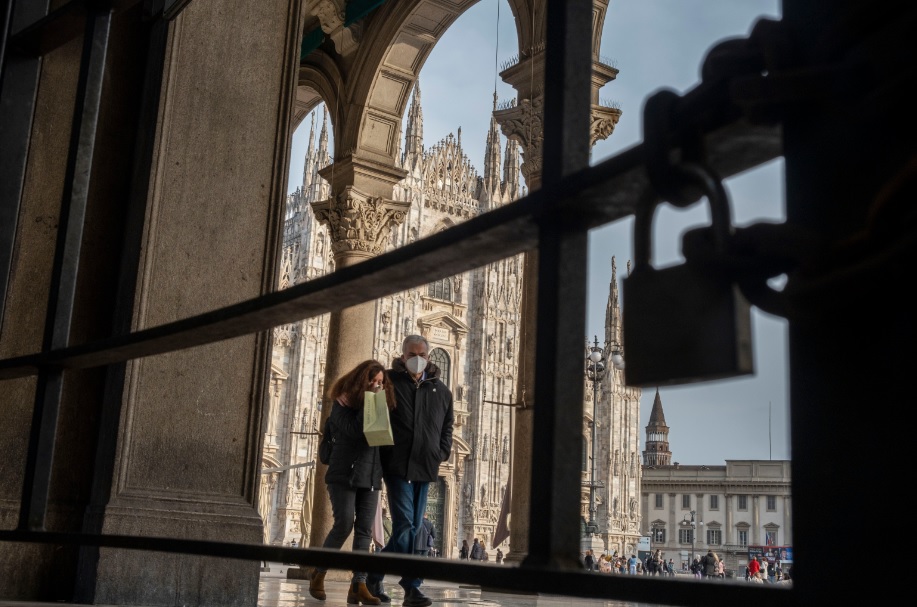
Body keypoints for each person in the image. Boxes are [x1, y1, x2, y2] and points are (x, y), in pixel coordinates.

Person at [367, 335, 454, 607]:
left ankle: (373, 574)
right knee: (405, 524)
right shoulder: (389, 381)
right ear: (403, 356)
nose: (418, 358)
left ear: (429, 357)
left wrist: (441, 453)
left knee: (414, 528)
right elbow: (375, 419)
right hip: (397, 465)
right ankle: (411, 586)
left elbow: (447, 427)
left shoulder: (442, 390)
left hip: (426, 467)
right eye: (412, 353)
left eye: (423, 353)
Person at [309, 360, 395, 605]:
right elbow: (356, 431)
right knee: (344, 523)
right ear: (361, 380)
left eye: (381, 382)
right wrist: (369, 402)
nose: (377, 386)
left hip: (370, 474)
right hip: (343, 473)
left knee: (364, 530)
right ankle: (319, 572)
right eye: (373, 381)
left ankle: (358, 584)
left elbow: (381, 440)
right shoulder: (342, 404)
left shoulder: (380, 406)